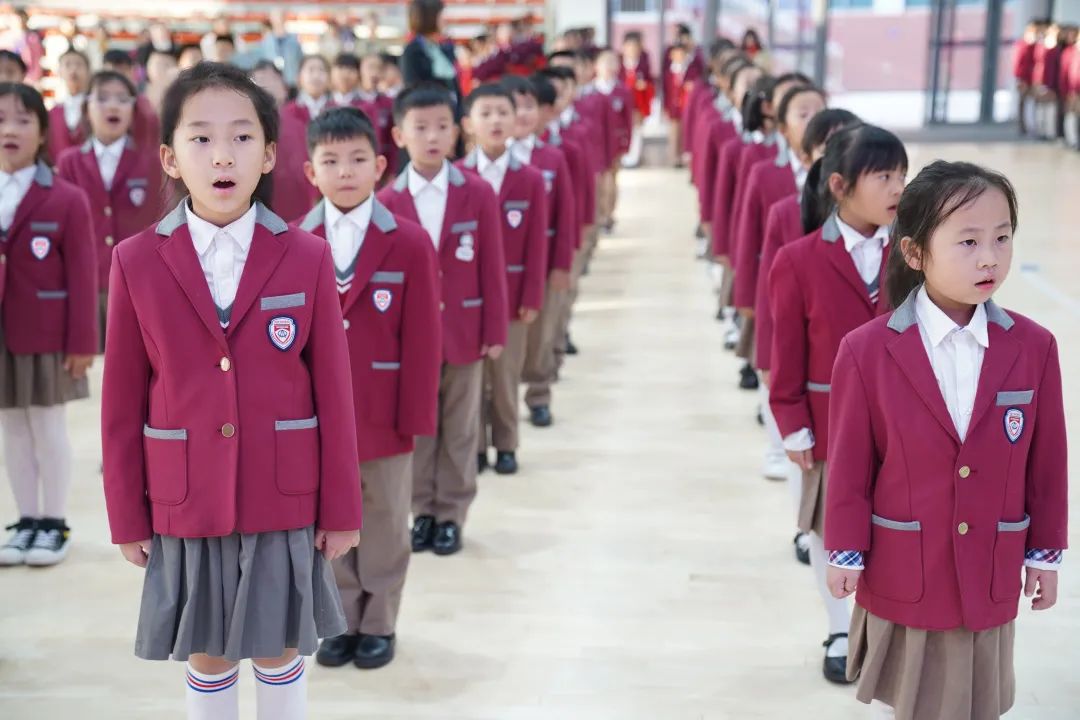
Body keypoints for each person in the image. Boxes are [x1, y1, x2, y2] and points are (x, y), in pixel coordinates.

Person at [100, 62, 361, 720]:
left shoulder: (306, 255)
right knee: (207, 652)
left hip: (282, 492)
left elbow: (333, 391)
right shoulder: (135, 259)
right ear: (170, 156)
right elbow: (122, 401)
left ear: (271, 154)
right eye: (201, 138)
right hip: (185, 495)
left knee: (279, 648)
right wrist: (127, 514)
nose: (222, 155)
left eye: (243, 138)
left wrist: (343, 507)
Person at [826, 160, 1066, 719]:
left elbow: (1047, 466)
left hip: (991, 566)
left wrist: (1045, 556)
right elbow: (851, 466)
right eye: (968, 241)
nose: (990, 257)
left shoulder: (1034, 348)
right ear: (914, 253)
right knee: (911, 701)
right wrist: (845, 549)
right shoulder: (866, 351)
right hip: (905, 563)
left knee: (978, 702)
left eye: (1002, 238)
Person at [296, 107, 441, 671]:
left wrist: (415, 417)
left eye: (358, 159)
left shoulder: (407, 241)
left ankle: (379, 620)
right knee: (324, 521)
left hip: (385, 412)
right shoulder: (294, 239)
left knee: (382, 515)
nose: (346, 171)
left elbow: (425, 338)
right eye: (330, 161)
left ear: (381, 165)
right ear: (310, 171)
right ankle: (339, 620)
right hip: (314, 417)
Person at [769, 124, 907, 686]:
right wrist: (792, 423)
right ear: (840, 186)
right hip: (828, 422)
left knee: (895, 526)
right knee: (832, 527)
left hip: (901, 422)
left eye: (902, 175)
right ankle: (838, 627)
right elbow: (787, 356)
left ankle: (887, 627)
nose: (898, 186)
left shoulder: (915, 253)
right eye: (883, 177)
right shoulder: (798, 260)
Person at [377, 85, 507, 556]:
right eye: (420, 127)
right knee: (418, 426)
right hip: (409, 341)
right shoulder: (388, 202)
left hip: (464, 334)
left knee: (461, 427)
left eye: (442, 126)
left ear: (457, 130)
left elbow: (491, 266)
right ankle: (423, 512)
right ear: (399, 135)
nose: (432, 136)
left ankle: (452, 512)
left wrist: (495, 330)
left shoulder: (477, 192)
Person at [753, 107, 860, 567]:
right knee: (807, 457)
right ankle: (805, 527)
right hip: (812, 371)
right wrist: (764, 355)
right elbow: (769, 294)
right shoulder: (790, 214)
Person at [0, 83, 96, 569]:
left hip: (46, 332)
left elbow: (83, 275)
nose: (9, 130)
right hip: (2, 332)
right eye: (0, 120)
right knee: (12, 425)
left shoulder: (65, 197)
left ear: (42, 131)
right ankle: (27, 520)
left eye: (21, 120)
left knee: (47, 424)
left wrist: (82, 341)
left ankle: (54, 523)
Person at [458, 83, 547, 475]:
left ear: (515, 120)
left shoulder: (529, 179)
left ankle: (506, 443)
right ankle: (475, 445)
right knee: (471, 377)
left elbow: (536, 246)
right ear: (468, 124)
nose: (495, 121)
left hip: (511, 297)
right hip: (466, 298)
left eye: (502, 113)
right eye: (486, 113)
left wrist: (532, 295)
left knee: (506, 373)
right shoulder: (457, 178)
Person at [55, 70, 166, 352]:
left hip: (139, 285)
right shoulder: (69, 162)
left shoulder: (152, 161)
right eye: (102, 98)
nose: (113, 106)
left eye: (122, 99)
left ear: (134, 108)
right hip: (84, 285)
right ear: (86, 108)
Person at [505, 74, 575, 433]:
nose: (520, 114)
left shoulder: (551, 158)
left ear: (542, 113)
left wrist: (562, 264)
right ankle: (499, 407)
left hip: (542, 262)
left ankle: (539, 395)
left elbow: (565, 216)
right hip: (501, 267)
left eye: (528, 106)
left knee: (541, 334)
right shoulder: (489, 163)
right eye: (512, 107)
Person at [249, 60, 318, 231]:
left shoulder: (303, 116)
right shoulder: (246, 124)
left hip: (303, 206)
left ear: (284, 87)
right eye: (258, 80)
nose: (266, 85)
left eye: (272, 79)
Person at [591, 48, 632, 231]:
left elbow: (628, 120)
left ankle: (609, 214)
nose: (608, 67)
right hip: (596, 143)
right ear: (596, 66)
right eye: (604, 62)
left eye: (612, 62)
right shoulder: (590, 91)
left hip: (614, 143)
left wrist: (626, 143)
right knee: (598, 179)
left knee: (611, 178)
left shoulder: (622, 91)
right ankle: (599, 214)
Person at [400, 0, 461, 102]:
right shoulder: (413, 51)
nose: (445, 20)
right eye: (441, 16)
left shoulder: (444, 48)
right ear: (430, 18)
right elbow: (413, 88)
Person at [47, 47, 91, 163]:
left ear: (88, 71)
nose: (73, 69)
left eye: (79, 65)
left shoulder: (96, 108)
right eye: (67, 65)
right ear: (60, 72)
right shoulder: (52, 113)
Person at [619, 31, 654, 168]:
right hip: (621, 104)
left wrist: (644, 85)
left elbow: (650, 81)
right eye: (629, 47)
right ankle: (623, 156)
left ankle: (634, 157)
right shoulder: (618, 64)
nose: (632, 51)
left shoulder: (644, 64)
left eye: (635, 47)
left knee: (636, 130)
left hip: (638, 103)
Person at [251, 10, 303, 85]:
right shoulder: (265, 43)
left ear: (285, 18)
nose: (278, 20)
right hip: (271, 83)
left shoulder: (295, 42)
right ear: (271, 19)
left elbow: (301, 61)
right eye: (275, 17)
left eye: (280, 17)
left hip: (291, 82)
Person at [283, 55, 332, 127]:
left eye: (321, 70)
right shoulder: (286, 113)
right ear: (299, 77)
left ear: (329, 78)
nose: (316, 76)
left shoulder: (338, 111)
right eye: (310, 70)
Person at [144, 46, 179, 114]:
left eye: (167, 65)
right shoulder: (140, 90)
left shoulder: (179, 93)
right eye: (157, 64)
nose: (161, 69)